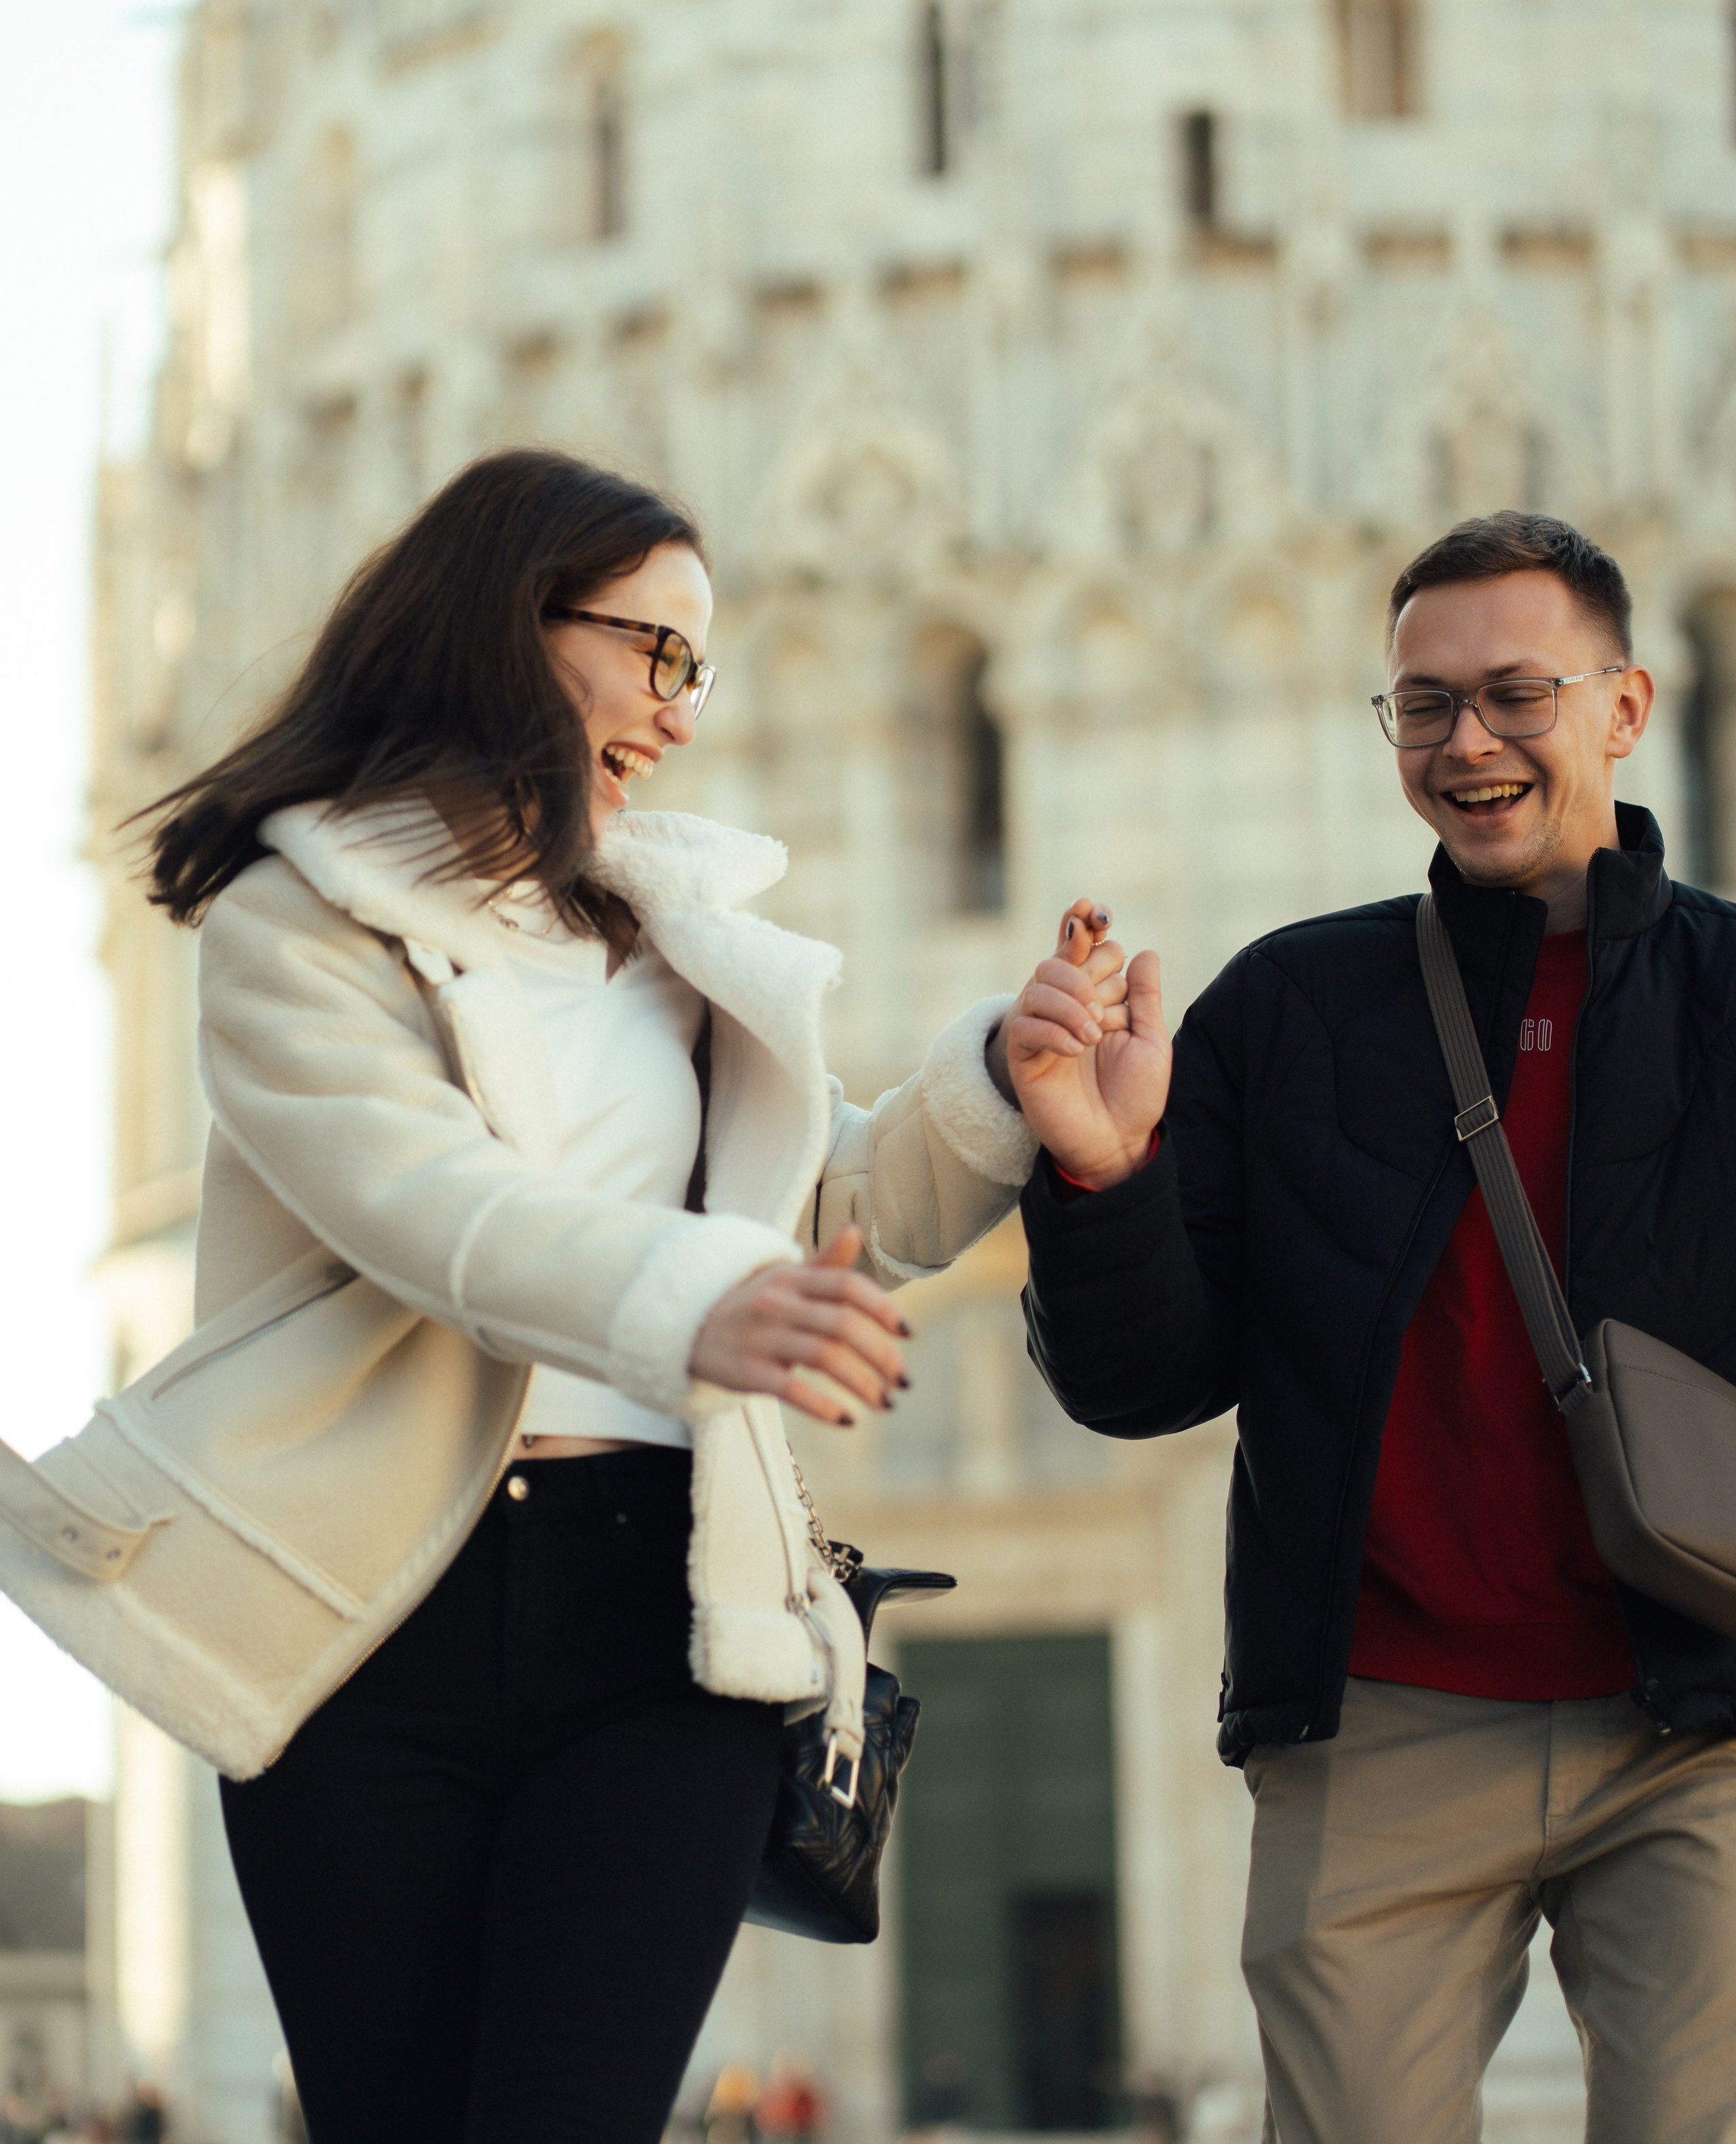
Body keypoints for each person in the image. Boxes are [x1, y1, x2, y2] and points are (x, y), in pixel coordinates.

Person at [124, 450, 1054, 2144]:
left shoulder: (669, 937)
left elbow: (825, 1206)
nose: (682, 715)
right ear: (509, 623)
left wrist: (1002, 1076)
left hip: (665, 1614)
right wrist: (689, 1300)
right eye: (659, 655)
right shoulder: (293, 923)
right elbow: (421, 1202)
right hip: (371, 1618)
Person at [1004, 512, 1736, 2141]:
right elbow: (1139, 1388)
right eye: (1420, 704)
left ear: (1624, 708)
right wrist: (1101, 1165)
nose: (1463, 743)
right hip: (1383, 1716)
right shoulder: (1289, 1008)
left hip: (1698, 1716)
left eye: (1513, 695)